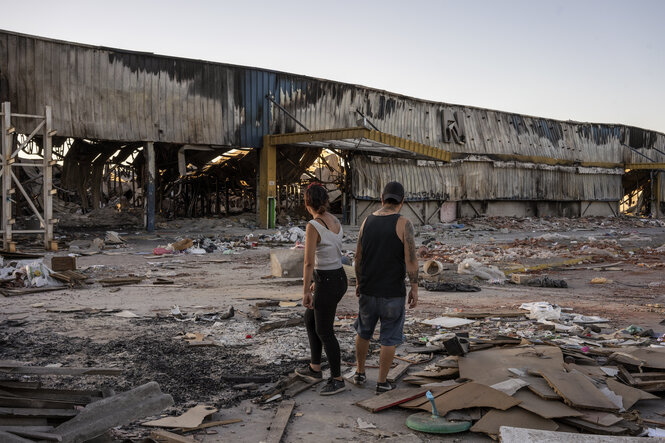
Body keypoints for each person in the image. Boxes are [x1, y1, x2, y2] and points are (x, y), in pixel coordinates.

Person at [353, 181, 418, 393]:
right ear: (402, 201)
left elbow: (357, 257)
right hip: (392, 293)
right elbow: (411, 260)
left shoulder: (366, 221)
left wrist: (359, 282)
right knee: (389, 337)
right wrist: (414, 288)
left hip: (368, 289)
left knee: (363, 332)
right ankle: (382, 382)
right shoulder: (404, 224)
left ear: (382, 198)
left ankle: (360, 374)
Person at [295, 183, 348, 395]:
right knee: (310, 320)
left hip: (327, 280)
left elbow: (308, 262)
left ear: (307, 203)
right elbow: (329, 254)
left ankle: (337, 378)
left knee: (324, 330)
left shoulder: (313, 225)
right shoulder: (335, 220)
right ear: (325, 201)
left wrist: (305, 290)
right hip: (337, 277)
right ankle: (315, 368)